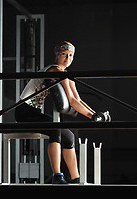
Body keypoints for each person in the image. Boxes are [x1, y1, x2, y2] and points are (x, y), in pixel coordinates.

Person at [15, 41, 96, 184]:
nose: (67, 58)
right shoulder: (53, 70)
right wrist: (92, 116)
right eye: (64, 55)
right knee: (56, 129)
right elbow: (71, 101)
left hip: (35, 112)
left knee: (69, 136)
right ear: (57, 55)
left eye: (70, 55)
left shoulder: (66, 75)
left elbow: (78, 100)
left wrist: (95, 114)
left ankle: (76, 178)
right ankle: (57, 176)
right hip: (25, 111)